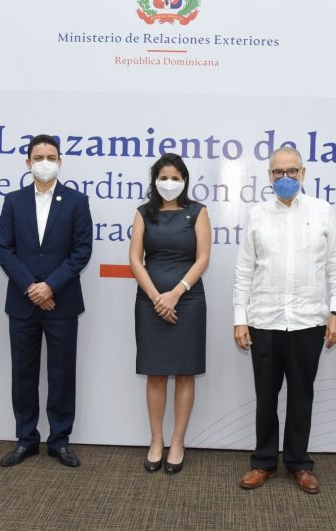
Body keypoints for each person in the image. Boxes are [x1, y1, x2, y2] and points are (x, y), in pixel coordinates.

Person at [233, 146, 336, 494]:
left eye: (291, 171)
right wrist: (240, 318)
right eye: (277, 172)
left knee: (301, 395)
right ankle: (264, 462)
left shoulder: (323, 211)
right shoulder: (256, 215)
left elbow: (335, 267)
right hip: (264, 320)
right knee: (265, 396)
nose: (285, 178)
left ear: (303, 173)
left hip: (308, 321)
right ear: (269, 176)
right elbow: (243, 272)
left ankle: (299, 463)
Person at [0, 134, 93, 468]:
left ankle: (60, 440)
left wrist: (50, 286)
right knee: (23, 374)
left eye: (51, 156)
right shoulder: (13, 201)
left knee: (61, 373)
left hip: (62, 302)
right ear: (28, 163)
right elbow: (3, 249)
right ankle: (26, 439)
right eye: (38, 157)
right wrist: (31, 287)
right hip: (22, 304)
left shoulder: (77, 201)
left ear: (60, 161)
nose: (45, 162)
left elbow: (81, 251)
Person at [129, 153, 211, 474]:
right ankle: (156, 441)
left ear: (185, 180)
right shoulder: (143, 213)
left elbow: (202, 259)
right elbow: (135, 260)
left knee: (186, 372)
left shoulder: (198, 212)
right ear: (155, 181)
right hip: (149, 302)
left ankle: (177, 441)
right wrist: (156, 297)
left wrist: (175, 293)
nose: (169, 183)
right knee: (156, 373)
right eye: (164, 177)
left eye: (176, 177)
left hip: (188, 300)